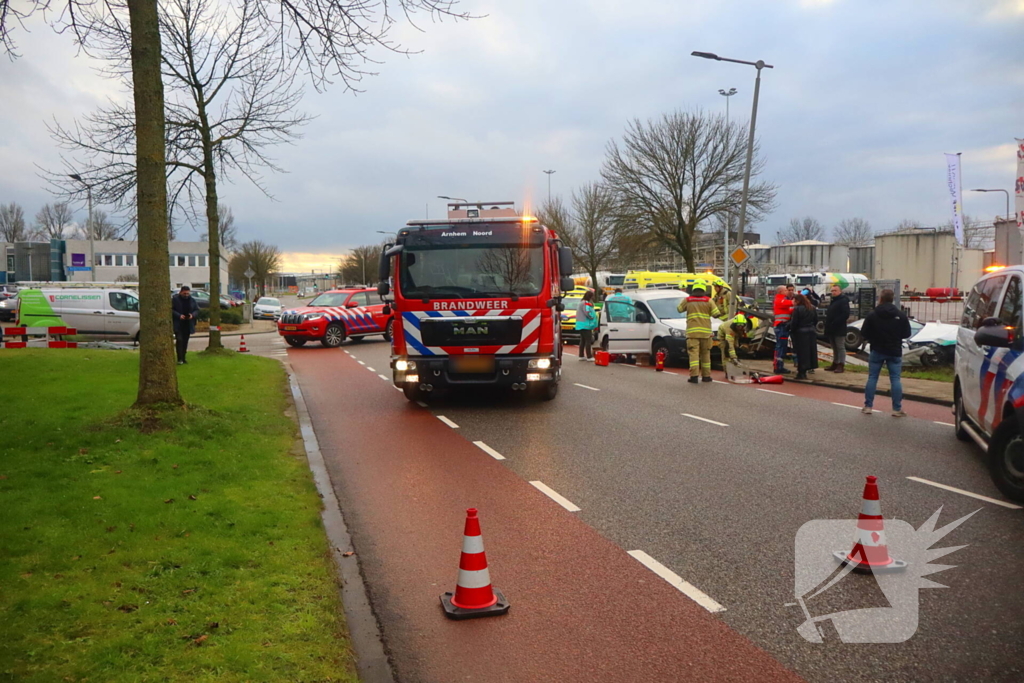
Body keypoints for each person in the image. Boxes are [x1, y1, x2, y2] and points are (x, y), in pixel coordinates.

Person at [861, 289, 913, 417]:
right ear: (893, 299)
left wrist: (873, 338)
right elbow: (907, 333)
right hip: (894, 350)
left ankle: (868, 406)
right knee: (895, 379)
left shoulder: (872, 315)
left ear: (881, 299)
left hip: (877, 349)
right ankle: (896, 408)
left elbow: (864, 333)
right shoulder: (900, 315)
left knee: (872, 377)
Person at [678, 284, 721, 383]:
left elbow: (679, 309)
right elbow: (716, 314)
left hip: (692, 333)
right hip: (706, 333)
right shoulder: (708, 300)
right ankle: (706, 376)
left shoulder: (688, 300)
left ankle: (694, 377)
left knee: (694, 355)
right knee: (705, 354)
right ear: (703, 289)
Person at [790, 293, 819, 379]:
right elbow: (816, 320)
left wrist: (791, 329)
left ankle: (801, 372)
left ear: (798, 301)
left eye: (794, 300)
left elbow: (794, 322)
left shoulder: (797, 309)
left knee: (801, 353)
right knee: (810, 352)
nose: (793, 302)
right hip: (811, 331)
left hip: (801, 333)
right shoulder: (812, 308)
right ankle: (809, 368)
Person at [824, 284, 850, 373]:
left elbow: (845, 314)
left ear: (840, 291)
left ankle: (841, 364)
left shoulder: (843, 301)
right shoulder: (834, 301)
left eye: (835, 290)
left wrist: (835, 322)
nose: (833, 292)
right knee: (834, 347)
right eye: (832, 291)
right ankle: (835, 362)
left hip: (839, 328)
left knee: (840, 347)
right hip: (831, 328)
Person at [171, 285, 200, 365]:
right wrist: (179, 315)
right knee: (179, 340)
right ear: (181, 292)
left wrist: (192, 315)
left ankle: (183, 357)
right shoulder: (175, 300)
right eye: (184, 293)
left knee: (185, 341)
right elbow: (171, 310)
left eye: (187, 293)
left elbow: (197, 310)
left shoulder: (192, 300)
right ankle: (179, 358)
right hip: (178, 324)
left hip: (188, 324)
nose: (186, 295)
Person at [772, 285, 794, 374]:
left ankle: (779, 366)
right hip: (781, 326)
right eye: (785, 290)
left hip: (782, 326)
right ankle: (778, 367)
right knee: (780, 346)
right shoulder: (780, 299)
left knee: (782, 346)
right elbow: (790, 304)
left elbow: (789, 309)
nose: (787, 292)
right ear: (780, 292)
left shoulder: (782, 300)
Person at [575, 290, 598, 361]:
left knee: (583, 340)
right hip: (586, 324)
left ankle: (581, 355)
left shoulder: (581, 302)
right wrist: (592, 317)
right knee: (588, 340)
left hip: (580, 324)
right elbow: (587, 312)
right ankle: (589, 356)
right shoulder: (586, 303)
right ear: (590, 297)